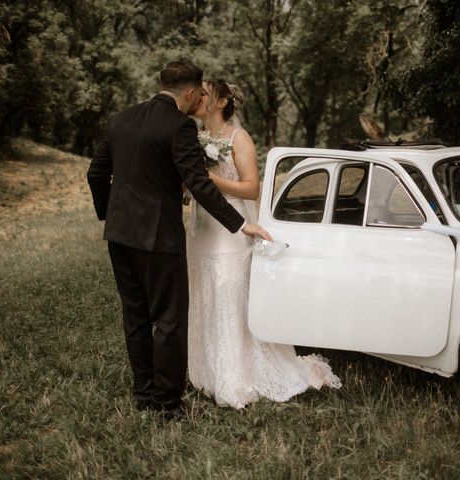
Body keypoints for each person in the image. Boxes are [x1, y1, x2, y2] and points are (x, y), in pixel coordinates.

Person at [87, 61, 271, 419]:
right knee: (169, 319)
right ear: (189, 93)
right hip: (159, 237)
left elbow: (96, 172)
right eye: (198, 95)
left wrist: (111, 213)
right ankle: (168, 404)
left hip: (120, 235)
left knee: (136, 315)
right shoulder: (179, 126)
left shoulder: (121, 119)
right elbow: (199, 184)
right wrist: (240, 224)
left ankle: (144, 395)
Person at [186, 79, 341, 409]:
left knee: (229, 296)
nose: (197, 99)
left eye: (203, 94)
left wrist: (207, 178)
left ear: (221, 101)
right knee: (205, 293)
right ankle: (208, 373)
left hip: (232, 229)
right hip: (201, 229)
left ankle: (237, 375)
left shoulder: (238, 138)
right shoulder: (195, 139)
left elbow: (252, 188)